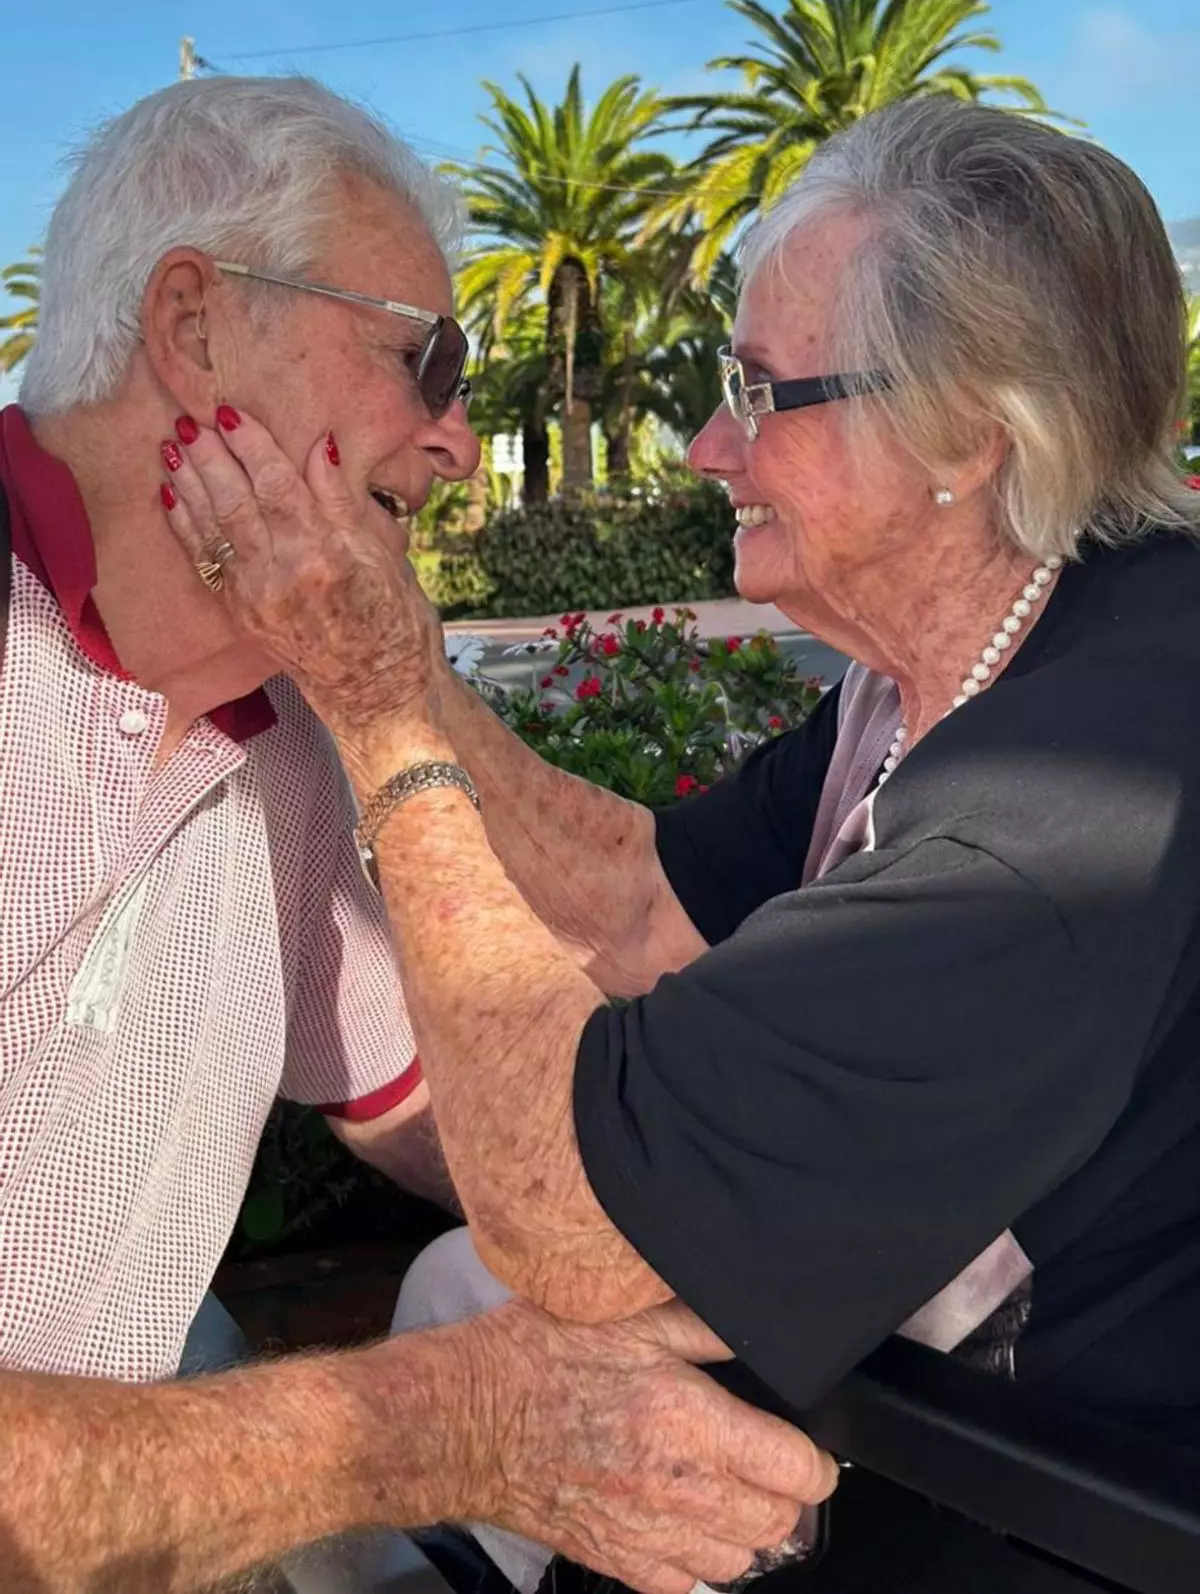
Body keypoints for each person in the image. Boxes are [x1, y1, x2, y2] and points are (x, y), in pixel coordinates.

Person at [159, 94, 1200, 1573]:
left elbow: (570, 1221)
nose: (711, 444)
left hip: (995, 1516)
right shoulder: (951, 676)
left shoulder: (1058, 816)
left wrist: (382, 714)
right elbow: (643, 898)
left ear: (964, 434)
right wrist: (396, 654)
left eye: (765, 392)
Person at [0, 74, 835, 1593]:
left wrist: (811, 1217)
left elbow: (470, 1127)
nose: (455, 441)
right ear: (192, 333)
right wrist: (439, 1429)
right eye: (421, 358)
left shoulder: (287, 748)